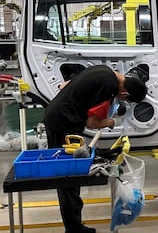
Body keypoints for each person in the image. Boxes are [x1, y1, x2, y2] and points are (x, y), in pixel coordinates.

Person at [43, 65, 147, 233]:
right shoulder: (109, 87)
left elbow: (64, 86)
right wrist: (113, 122)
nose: (122, 101)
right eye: (125, 101)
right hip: (63, 123)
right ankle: (74, 229)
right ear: (125, 94)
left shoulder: (105, 71)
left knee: (69, 176)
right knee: (69, 177)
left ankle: (74, 226)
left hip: (58, 117)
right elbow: (92, 123)